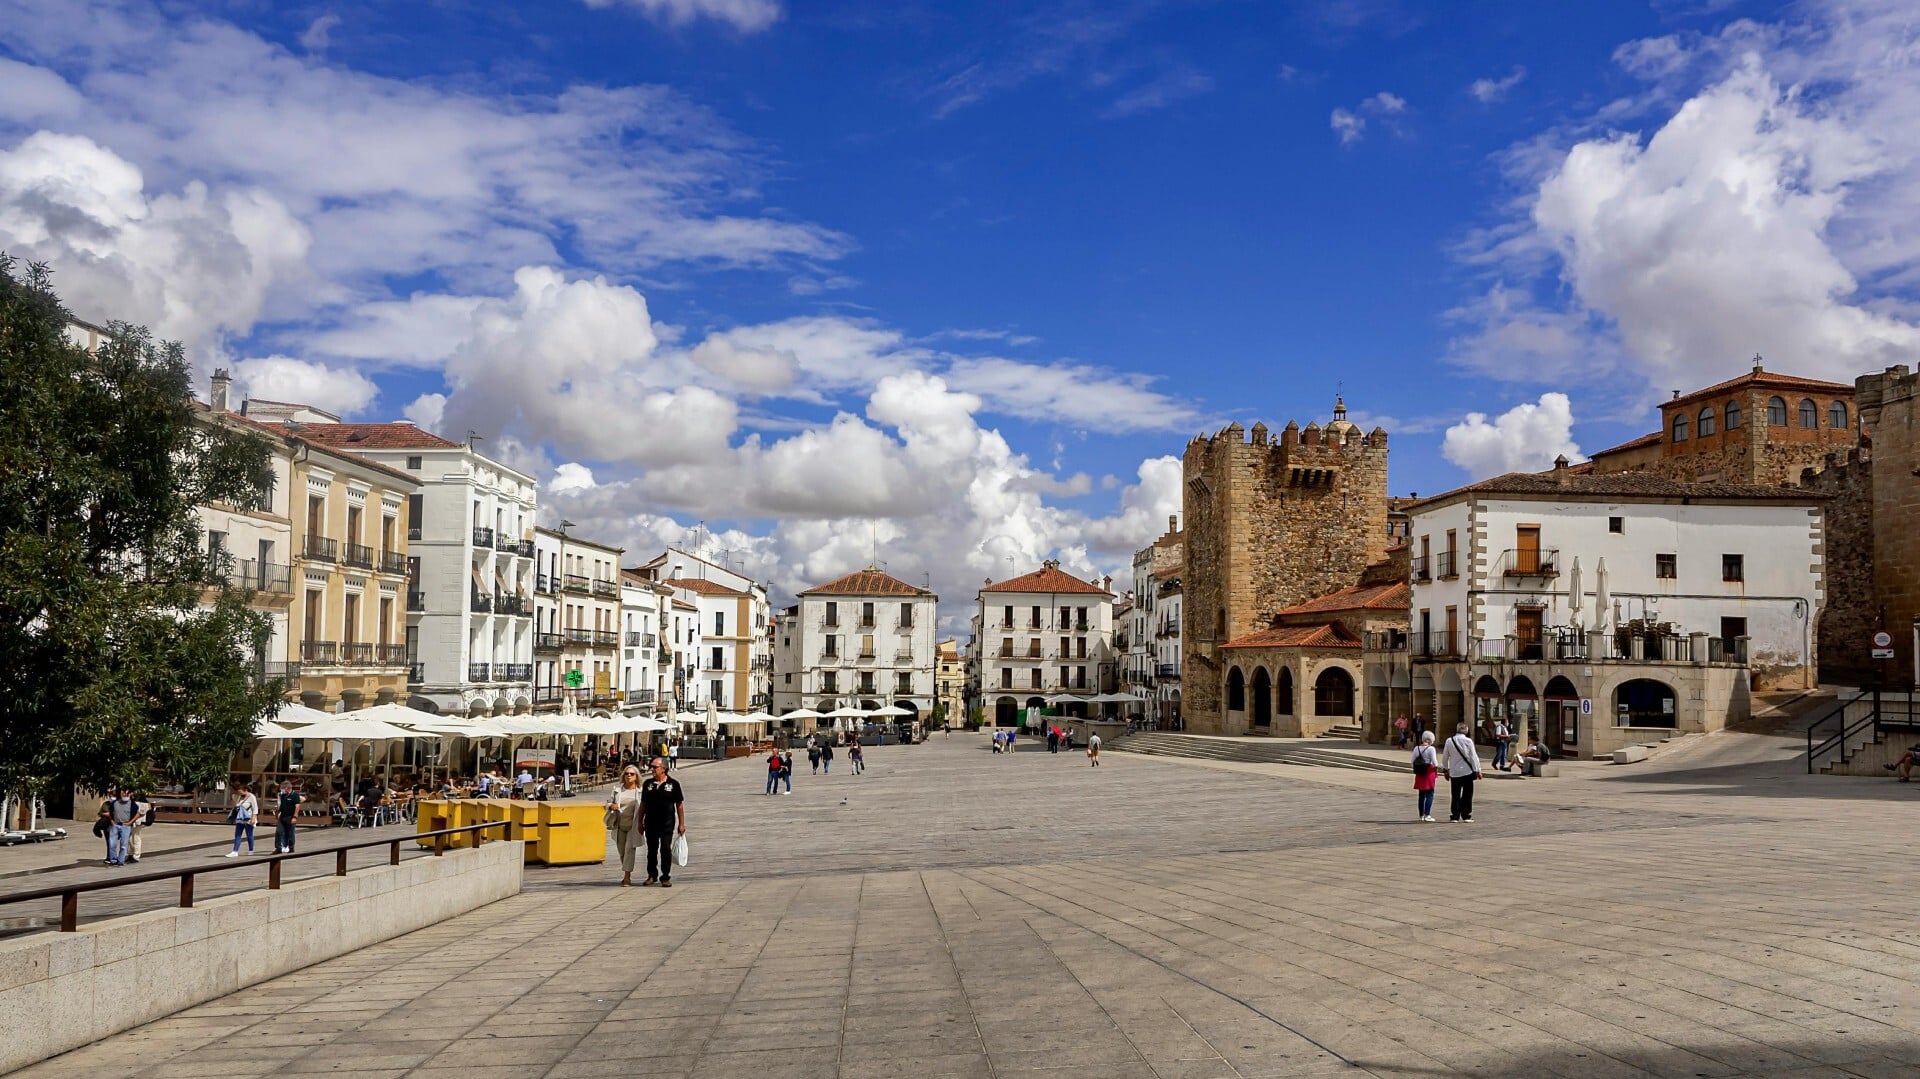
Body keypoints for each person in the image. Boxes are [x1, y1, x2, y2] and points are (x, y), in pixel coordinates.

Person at [639, 757, 685, 887]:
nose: (652, 769)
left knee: (665, 848)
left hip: (667, 823)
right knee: (651, 850)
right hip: (650, 823)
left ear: (663, 769)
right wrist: (639, 822)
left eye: (654, 767)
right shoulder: (648, 784)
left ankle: (665, 876)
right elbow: (643, 805)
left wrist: (681, 824)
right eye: (651, 767)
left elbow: (679, 805)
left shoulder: (673, 784)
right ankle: (652, 875)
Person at [605, 764, 645, 887]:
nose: (629, 776)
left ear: (636, 777)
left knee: (629, 850)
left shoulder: (640, 792)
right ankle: (626, 872)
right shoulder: (617, 790)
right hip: (619, 825)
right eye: (627, 774)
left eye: (632, 774)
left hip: (633, 826)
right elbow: (607, 803)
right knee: (622, 852)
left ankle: (627, 877)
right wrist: (611, 806)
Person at [1441, 726, 1482, 823]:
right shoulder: (1468, 741)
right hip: (1467, 771)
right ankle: (1466, 815)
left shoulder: (1449, 741)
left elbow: (1445, 756)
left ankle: (1455, 815)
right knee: (1467, 794)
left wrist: (1445, 769)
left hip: (1454, 772)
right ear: (1466, 731)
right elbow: (1473, 757)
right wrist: (1478, 770)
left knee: (1455, 794)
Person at [101, 788, 139, 867]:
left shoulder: (132, 804)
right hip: (115, 825)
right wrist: (112, 821)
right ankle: (113, 860)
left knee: (123, 845)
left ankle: (120, 861)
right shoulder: (114, 803)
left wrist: (130, 822)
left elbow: (138, 814)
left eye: (127, 793)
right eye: (123, 793)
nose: (125, 795)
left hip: (125, 826)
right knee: (112, 844)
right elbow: (110, 812)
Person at [1411, 731, 1439, 822]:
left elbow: (1412, 760)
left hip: (1420, 772)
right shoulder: (1431, 749)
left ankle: (1421, 815)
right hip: (1429, 772)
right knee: (1430, 794)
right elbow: (1435, 762)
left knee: (1421, 795)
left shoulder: (1416, 748)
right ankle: (1427, 814)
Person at [226, 783, 259, 856]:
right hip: (240, 818)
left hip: (248, 818)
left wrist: (253, 818)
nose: (239, 793)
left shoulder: (252, 797)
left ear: (245, 790)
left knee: (249, 834)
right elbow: (237, 805)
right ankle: (235, 851)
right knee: (238, 834)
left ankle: (251, 850)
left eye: (240, 791)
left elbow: (255, 808)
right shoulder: (240, 797)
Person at [274, 781, 304, 853]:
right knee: (278, 832)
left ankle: (291, 848)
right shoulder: (283, 795)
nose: (281, 790)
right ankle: (278, 848)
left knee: (290, 833)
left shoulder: (295, 795)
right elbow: (281, 805)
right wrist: (277, 812)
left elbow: (297, 806)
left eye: (282, 788)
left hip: (290, 816)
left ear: (287, 788)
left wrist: (295, 817)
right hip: (282, 816)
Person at [127, 790, 153, 863]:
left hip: (138, 822)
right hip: (132, 822)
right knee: (129, 839)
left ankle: (136, 856)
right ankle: (131, 853)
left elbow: (140, 813)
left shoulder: (142, 803)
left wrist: (131, 821)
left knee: (136, 838)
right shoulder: (135, 801)